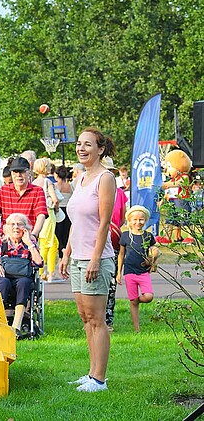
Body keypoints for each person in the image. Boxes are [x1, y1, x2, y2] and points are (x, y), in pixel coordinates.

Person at [60, 127, 117, 393]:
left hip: (96, 258)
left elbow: (104, 222)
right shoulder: (80, 178)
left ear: (100, 149)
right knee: (85, 317)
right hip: (77, 257)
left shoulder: (105, 178)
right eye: (79, 144)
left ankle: (100, 380)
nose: (81, 148)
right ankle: (91, 373)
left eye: (88, 145)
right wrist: (67, 252)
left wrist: (95, 259)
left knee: (97, 319)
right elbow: (76, 221)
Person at [0, 212, 43, 336]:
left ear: (26, 228)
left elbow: (39, 264)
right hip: (1, 277)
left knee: (24, 283)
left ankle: (15, 327)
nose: (16, 227)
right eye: (12, 224)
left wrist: (29, 243)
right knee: (4, 282)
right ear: (6, 227)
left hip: (22, 279)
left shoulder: (29, 245)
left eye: (20, 224)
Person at [117, 205, 160, 332]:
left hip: (143, 272)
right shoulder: (125, 236)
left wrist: (153, 261)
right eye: (134, 220)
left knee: (148, 297)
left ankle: (135, 300)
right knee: (133, 302)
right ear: (129, 221)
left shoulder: (148, 236)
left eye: (141, 219)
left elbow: (154, 250)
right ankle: (137, 329)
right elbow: (121, 255)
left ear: (145, 220)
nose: (138, 222)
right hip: (129, 272)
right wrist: (118, 272)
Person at [0, 156, 47, 239]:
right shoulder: (4, 190)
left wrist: (34, 234)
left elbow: (41, 215)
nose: (18, 175)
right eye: (15, 172)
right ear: (11, 173)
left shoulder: (37, 191)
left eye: (22, 171)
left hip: (27, 240)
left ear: (29, 172)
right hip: (6, 239)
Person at [102, 156, 128, 330]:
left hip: (113, 238)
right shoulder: (91, 189)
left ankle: (108, 320)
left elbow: (123, 215)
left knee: (111, 283)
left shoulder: (119, 193)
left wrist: (114, 227)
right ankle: (95, 317)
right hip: (94, 238)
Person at [32, 158, 62, 282]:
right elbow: (55, 199)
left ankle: (46, 272)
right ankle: (43, 272)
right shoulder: (47, 182)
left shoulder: (33, 182)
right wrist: (56, 207)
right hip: (48, 212)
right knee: (48, 243)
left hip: (36, 213)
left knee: (50, 243)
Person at [54, 165, 73, 255]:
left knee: (58, 233)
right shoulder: (70, 186)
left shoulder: (55, 186)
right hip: (68, 210)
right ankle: (65, 253)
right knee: (66, 233)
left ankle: (60, 250)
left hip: (58, 211)